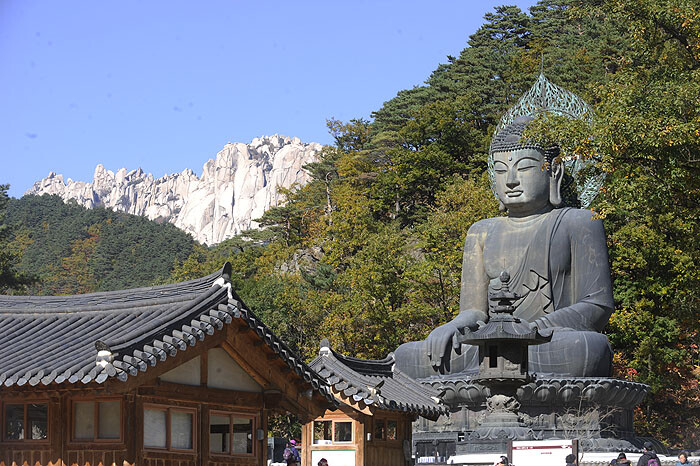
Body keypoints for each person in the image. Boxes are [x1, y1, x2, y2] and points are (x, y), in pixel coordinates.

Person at [395, 115, 614, 379]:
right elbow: (474, 311)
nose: (510, 180)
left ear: (554, 171)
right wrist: (453, 326)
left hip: (545, 342)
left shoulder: (578, 221)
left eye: (524, 168)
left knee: (586, 348)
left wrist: (532, 330)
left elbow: (597, 305)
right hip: (490, 343)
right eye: (500, 170)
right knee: (407, 355)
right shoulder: (481, 231)